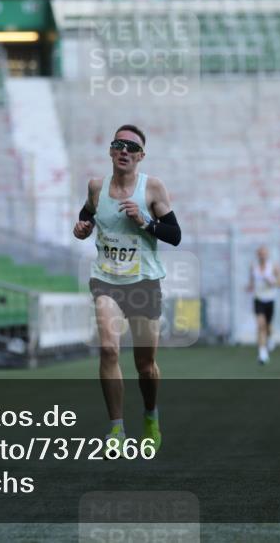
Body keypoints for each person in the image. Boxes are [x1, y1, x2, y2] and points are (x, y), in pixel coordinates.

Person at [73, 124, 181, 453]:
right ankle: (117, 431)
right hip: (106, 278)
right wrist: (81, 228)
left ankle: (150, 417)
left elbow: (175, 235)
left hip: (144, 282)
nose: (124, 151)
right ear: (110, 150)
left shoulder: (152, 189)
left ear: (140, 156)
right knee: (108, 349)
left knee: (145, 365)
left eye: (131, 148)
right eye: (119, 144)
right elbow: (86, 216)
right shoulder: (96, 187)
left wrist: (146, 221)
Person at [246, 246, 280, 365]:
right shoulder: (254, 267)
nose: (262, 256)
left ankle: (270, 338)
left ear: (267, 255)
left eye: (264, 254)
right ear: (258, 255)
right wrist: (249, 287)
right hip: (258, 300)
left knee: (268, 326)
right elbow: (252, 282)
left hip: (270, 300)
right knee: (260, 325)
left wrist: (272, 282)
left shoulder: (273, 266)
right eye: (260, 254)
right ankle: (262, 354)